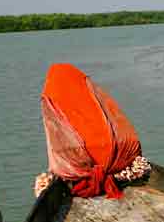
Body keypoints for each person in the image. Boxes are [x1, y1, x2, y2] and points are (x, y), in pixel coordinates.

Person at [34, 63, 150, 197]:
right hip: (121, 159)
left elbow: (59, 142)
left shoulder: (52, 99)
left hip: (87, 165)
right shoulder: (89, 95)